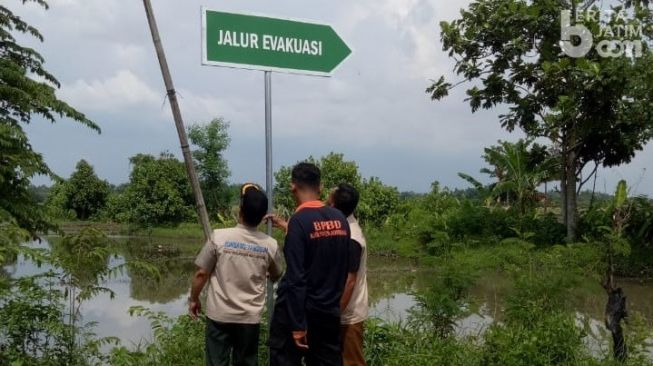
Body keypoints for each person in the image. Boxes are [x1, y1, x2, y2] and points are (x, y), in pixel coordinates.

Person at [267, 163, 353, 366]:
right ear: (320, 187)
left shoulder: (298, 221)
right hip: (329, 311)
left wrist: (298, 325)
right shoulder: (340, 219)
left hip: (299, 313)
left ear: (293, 187)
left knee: (284, 359)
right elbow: (342, 268)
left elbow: (297, 278)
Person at [189, 183, 284, 366]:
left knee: (216, 362)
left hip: (219, 316)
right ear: (264, 216)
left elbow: (201, 274)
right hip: (249, 317)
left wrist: (194, 299)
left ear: (240, 210)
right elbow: (276, 274)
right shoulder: (270, 245)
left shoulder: (219, 237)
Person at [327, 184, 368, 366]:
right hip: (342, 312)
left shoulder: (352, 238)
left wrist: (335, 313)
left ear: (334, 207)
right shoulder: (342, 228)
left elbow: (350, 282)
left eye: (328, 199)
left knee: (352, 361)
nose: (325, 202)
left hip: (348, 315)